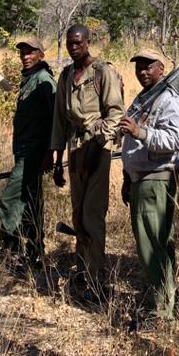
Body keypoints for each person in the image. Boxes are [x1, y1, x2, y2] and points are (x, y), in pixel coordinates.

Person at [49, 24, 124, 301]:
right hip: (74, 150)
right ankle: (81, 272)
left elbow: (116, 113)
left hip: (97, 149)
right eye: (69, 43)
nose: (73, 47)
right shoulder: (66, 74)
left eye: (78, 42)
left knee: (93, 216)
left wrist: (99, 142)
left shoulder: (103, 72)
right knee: (78, 214)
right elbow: (59, 118)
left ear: (88, 42)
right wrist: (57, 159)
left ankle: (97, 279)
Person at [118, 49, 179, 329]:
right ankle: (164, 305)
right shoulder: (143, 97)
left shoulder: (170, 99)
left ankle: (158, 313)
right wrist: (127, 176)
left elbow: (173, 141)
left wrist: (139, 132)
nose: (142, 71)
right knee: (157, 245)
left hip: (156, 179)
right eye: (138, 67)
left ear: (162, 68)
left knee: (152, 247)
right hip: (140, 179)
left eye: (148, 66)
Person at [0, 37, 56, 272]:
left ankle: (11, 252)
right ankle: (34, 253)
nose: (25, 56)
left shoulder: (44, 80)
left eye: (31, 52)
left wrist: (50, 154)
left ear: (41, 54)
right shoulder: (29, 79)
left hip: (33, 154)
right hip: (23, 151)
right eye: (22, 52)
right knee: (31, 203)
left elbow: (55, 121)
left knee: (9, 201)